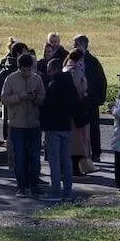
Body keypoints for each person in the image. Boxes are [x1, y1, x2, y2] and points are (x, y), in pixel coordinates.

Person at [1, 52, 46, 197]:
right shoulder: (11, 79)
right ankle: (21, 186)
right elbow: (4, 98)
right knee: (19, 157)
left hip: (33, 123)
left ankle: (34, 184)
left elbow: (43, 98)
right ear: (19, 68)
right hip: (17, 124)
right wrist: (19, 97)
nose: (27, 73)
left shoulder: (37, 79)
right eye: (24, 70)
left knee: (34, 157)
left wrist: (34, 98)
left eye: (29, 70)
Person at [40, 58, 79, 201]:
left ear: (54, 70)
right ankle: (68, 191)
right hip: (66, 126)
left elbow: (47, 107)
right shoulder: (70, 85)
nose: (48, 73)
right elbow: (75, 105)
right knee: (66, 161)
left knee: (54, 162)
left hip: (53, 127)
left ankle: (56, 190)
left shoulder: (53, 85)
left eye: (49, 70)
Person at [73, 35, 107, 162]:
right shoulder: (73, 60)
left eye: (76, 44)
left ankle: (96, 153)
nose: (74, 47)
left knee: (93, 128)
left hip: (90, 100)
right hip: (77, 101)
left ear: (83, 45)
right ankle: (81, 153)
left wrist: (96, 99)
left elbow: (101, 81)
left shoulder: (92, 62)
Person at [64, 49, 93, 176]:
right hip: (77, 108)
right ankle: (76, 168)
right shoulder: (76, 71)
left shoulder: (65, 68)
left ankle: (74, 167)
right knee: (78, 140)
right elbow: (79, 87)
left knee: (72, 139)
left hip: (68, 108)